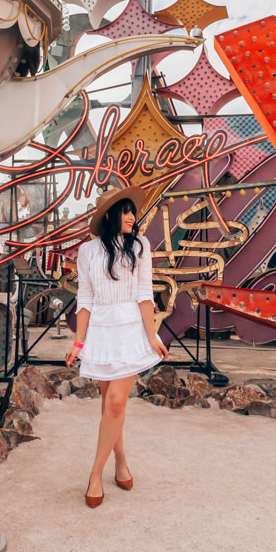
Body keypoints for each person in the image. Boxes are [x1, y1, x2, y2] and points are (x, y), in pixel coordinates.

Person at [65, 186, 168, 507]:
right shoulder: (88, 252)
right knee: (110, 405)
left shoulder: (140, 246)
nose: (131, 217)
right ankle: (120, 461)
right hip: (100, 332)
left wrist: (152, 335)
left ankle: (95, 474)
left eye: (132, 211)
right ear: (109, 214)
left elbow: (144, 293)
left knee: (115, 404)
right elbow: (85, 298)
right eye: (124, 211)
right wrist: (79, 342)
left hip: (130, 330)